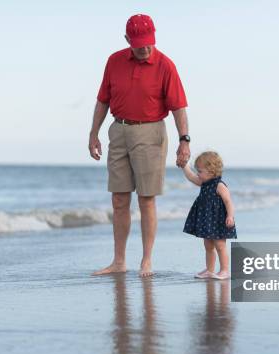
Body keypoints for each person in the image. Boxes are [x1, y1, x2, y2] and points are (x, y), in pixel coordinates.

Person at [88, 14, 191, 277]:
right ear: (127, 40)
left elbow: (178, 106)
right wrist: (93, 133)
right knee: (119, 199)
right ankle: (119, 261)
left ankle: (146, 260)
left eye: (148, 43)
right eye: (138, 44)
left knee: (146, 199)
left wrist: (184, 141)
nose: (144, 49)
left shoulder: (165, 65)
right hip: (119, 131)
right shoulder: (114, 61)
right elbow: (103, 100)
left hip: (150, 132)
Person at [181, 151, 237, 280]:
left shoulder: (220, 186)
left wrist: (230, 216)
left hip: (218, 220)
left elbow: (229, 202)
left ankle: (225, 270)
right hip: (207, 220)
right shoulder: (204, 183)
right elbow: (190, 177)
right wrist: (185, 166)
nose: (198, 174)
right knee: (208, 246)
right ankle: (209, 269)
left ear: (211, 171)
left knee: (220, 246)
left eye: (200, 171)